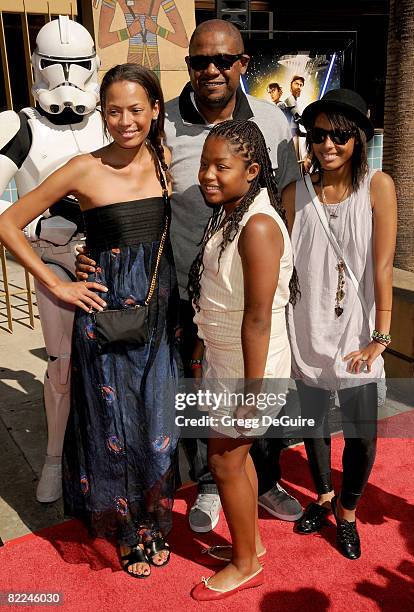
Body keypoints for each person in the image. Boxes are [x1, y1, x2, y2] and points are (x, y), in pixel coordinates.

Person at [77, 19, 303, 534]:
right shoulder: (163, 126)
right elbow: (115, 186)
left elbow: (287, 201)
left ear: (243, 63)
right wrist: (83, 250)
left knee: (253, 387)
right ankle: (207, 482)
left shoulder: (272, 122)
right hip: (182, 290)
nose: (212, 70)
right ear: (189, 67)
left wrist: (286, 273)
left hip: (252, 292)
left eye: (224, 60)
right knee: (203, 393)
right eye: (200, 61)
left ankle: (262, 478)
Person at [0, 63, 180, 579]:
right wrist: (57, 281)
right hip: (105, 316)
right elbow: (9, 222)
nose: (125, 121)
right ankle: (126, 533)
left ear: (155, 110)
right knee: (115, 428)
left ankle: (152, 521)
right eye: (114, 110)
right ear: (103, 112)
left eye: (136, 109)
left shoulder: (162, 158)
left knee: (155, 425)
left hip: (158, 315)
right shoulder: (83, 167)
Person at [283, 88, 397, 559]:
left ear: (359, 139)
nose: (327, 144)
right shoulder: (294, 193)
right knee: (312, 422)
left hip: (356, 332)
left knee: (361, 434)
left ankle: (347, 512)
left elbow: (384, 266)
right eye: (318, 134)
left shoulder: (378, 187)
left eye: (340, 135)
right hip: (306, 324)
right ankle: (325, 496)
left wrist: (380, 338)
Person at [188, 119, 298, 601]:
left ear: (252, 170)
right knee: (238, 458)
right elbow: (219, 295)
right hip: (228, 358)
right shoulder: (233, 211)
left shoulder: (256, 225)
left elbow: (257, 318)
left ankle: (245, 561)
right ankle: (249, 545)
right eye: (204, 163)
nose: (208, 174)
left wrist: (252, 397)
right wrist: (201, 345)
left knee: (224, 460)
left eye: (222, 166)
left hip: (250, 369)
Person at [0, 16, 107, 503]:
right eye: (55, 65)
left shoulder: (113, 119)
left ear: (94, 66)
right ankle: (54, 457)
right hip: (53, 259)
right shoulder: (18, 126)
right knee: (61, 365)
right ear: (37, 66)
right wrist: (36, 222)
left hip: (108, 255)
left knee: (115, 362)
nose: (66, 77)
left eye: (77, 65)